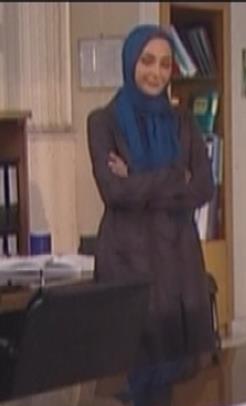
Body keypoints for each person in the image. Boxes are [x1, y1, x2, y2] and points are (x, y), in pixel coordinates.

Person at [86, 25, 215, 366]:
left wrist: (136, 178)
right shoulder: (103, 122)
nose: (156, 72)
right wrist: (174, 177)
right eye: (147, 61)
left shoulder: (183, 121)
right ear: (130, 62)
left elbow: (203, 187)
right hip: (128, 259)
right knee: (129, 374)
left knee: (188, 378)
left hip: (180, 259)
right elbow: (113, 191)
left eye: (164, 64)